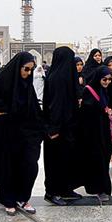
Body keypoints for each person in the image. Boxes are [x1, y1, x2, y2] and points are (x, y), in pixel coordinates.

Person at [0, 52, 45, 216]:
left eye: (31, 70)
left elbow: (34, 110)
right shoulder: (3, 83)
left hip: (26, 135)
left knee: (29, 166)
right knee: (8, 167)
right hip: (7, 135)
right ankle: (8, 200)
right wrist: (0, 111)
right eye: (26, 69)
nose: (28, 73)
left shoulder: (27, 86)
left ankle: (23, 198)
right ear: (18, 67)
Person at [43, 47, 82, 206]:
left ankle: (65, 188)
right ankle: (52, 192)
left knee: (66, 159)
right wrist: (54, 128)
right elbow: (55, 106)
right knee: (55, 161)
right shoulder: (58, 78)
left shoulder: (66, 76)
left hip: (67, 127)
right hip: (57, 129)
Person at [79, 65, 112, 201]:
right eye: (104, 79)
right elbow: (86, 112)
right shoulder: (89, 91)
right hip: (93, 132)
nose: (107, 82)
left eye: (109, 79)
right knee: (97, 159)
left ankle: (102, 187)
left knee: (104, 158)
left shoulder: (106, 90)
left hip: (104, 131)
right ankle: (100, 189)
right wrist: (101, 110)